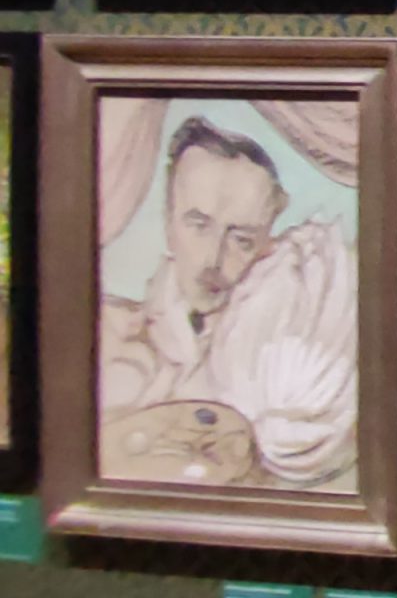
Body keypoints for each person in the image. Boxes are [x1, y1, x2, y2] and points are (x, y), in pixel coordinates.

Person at [95, 117, 359, 489]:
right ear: (168, 219)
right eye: (198, 224)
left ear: (267, 244)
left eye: (242, 240)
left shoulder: (275, 369)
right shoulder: (106, 332)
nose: (214, 259)